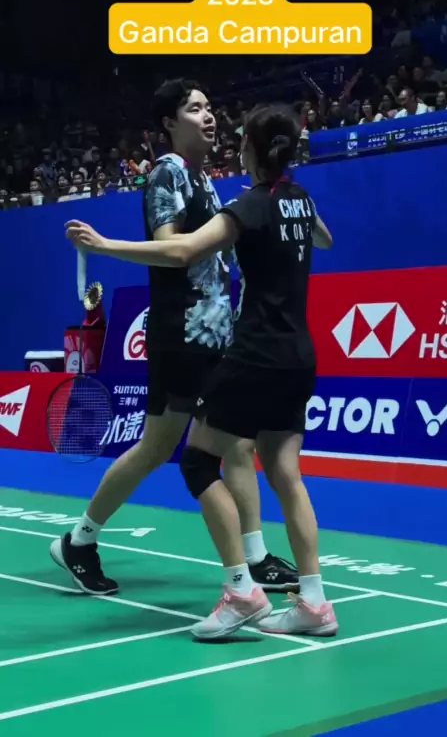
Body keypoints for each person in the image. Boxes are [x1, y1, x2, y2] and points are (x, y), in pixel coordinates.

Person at [65, 102, 336, 639]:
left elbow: (184, 250)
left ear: (250, 149)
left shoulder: (247, 205)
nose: (218, 127)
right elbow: (322, 238)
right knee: (284, 472)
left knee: (196, 460)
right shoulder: (299, 199)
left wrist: (103, 245)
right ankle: (313, 602)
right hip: (298, 354)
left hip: (252, 353)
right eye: (197, 109)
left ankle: (241, 591)